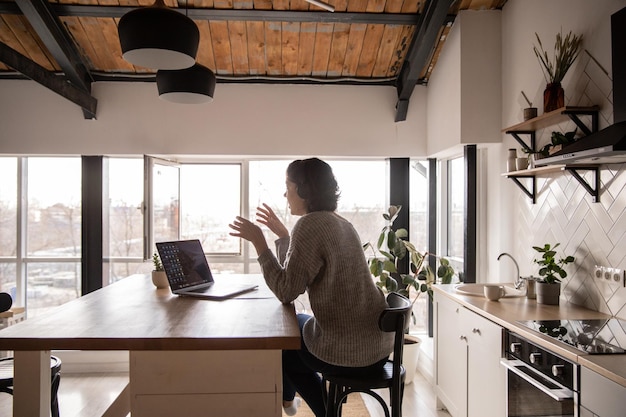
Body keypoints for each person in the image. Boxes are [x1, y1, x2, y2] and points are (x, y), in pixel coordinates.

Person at [228, 158, 394, 417]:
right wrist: (284, 238)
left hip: (348, 352)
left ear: (304, 189)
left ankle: (323, 412)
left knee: (282, 347)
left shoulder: (309, 225)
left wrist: (260, 242)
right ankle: (289, 402)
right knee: (296, 325)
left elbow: (286, 291)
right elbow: (296, 275)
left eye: (288, 186)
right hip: (377, 346)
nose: (285, 194)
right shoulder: (338, 222)